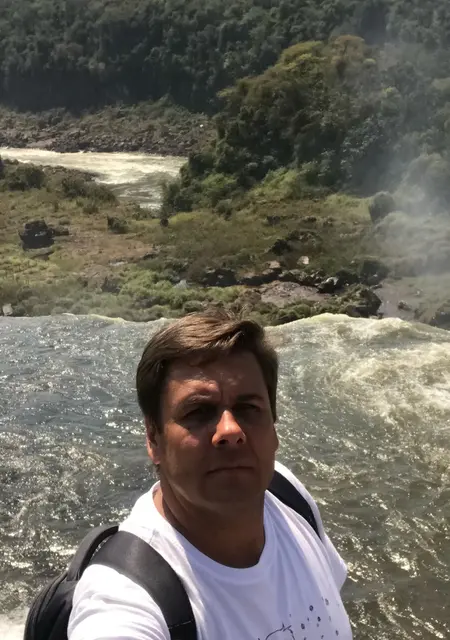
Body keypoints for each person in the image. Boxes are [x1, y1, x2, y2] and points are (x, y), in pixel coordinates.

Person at [68, 309, 353, 640]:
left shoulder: (288, 495)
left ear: (274, 427)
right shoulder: (124, 598)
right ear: (153, 439)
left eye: (249, 409)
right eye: (199, 411)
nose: (230, 430)